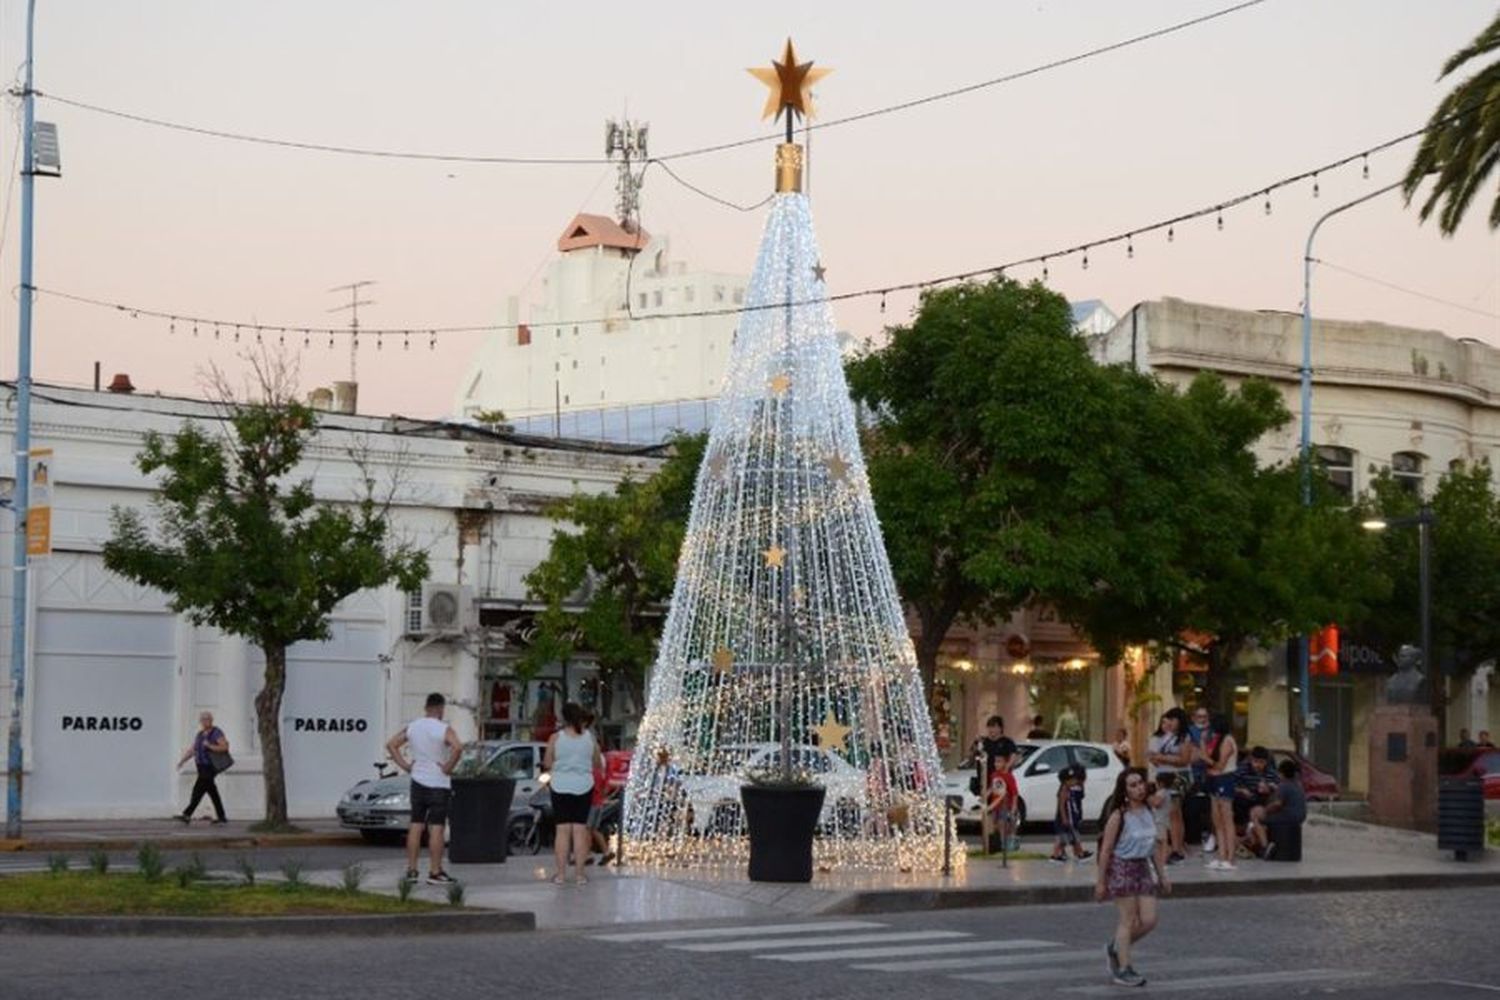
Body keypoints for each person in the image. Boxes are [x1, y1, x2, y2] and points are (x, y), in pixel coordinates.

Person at [1095, 767, 1168, 988]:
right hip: (1121, 867)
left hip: (1142, 867)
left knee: (1149, 920)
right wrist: (1100, 882)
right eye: (1132, 785)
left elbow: (1153, 846)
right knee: (1128, 920)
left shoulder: (1148, 811)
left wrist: (1162, 874)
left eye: (1140, 783)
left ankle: (1116, 946)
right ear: (1124, 791)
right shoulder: (1119, 815)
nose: (1138, 788)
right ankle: (1124, 969)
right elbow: (1106, 850)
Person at [386, 692, 463, 885]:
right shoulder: (444, 728)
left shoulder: (413, 727)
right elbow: (458, 748)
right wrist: (448, 767)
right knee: (436, 828)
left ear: (426, 708)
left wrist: (405, 766)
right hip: (438, 783)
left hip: (418, 781)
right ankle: (435, 872)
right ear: (440, 708)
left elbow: (391, 744)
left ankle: (412, 871)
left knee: (415, 825)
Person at [544, 702, 604, 885]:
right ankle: (579, 875)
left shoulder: (555, 738)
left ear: (564, 718)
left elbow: (547, 762)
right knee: (579, 830)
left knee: (562, 831)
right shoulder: (589, 738)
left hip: (560, 785)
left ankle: (561, 875)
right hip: (584, 786)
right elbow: (597, 763)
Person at [1146, 708, 1191, 864]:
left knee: (1174, 812)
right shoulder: (1166, 737)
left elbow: (1184, 759)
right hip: (1164, 776)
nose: (1170, 724)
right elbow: (1154, 756)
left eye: (1172, 720)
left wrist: (1163, 758)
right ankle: (1175, 846)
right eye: (1168, 720)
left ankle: (1178, 848)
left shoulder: (1184, 737)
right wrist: (1159, 758)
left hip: (1179, 777)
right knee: (1171, 814)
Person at [1199, 713, 1239, 870]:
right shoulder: (1216, 740)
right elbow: (1208, 757)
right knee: (1217, 820)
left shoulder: (1228, 740)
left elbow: (1219, 765)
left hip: (1225, 779)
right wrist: (1202, 743)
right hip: (1214, 780)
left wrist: (1204, 758)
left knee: (1227, 819)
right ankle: (1221, 855)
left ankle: (1230, 857)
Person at [176, 711, 230, 825]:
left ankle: (187, 814)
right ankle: (222, 816)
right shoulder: (200, 735)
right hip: (200, 767)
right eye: (203, 719)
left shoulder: (216, 732)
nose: (205, 721)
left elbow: (224, 747)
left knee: (198, 790)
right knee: (212, 792)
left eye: (208, 719)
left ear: (212, 720)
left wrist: (210, 745)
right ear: (200, 722)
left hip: (210, 767)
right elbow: (192, 750)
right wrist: (182, 761)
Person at [1259, 759, 1308, 859]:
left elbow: (1277, 804)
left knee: (1259, 819)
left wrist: (1265, 810)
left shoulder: (1283, 785)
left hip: (1287, 818)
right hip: (1300, 817)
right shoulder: (1298, 785)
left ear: (1281, 773)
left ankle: (1265, 847)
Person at [1233, 747, 1277, 856]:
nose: (1258, 765)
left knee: (1256, 813)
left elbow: (1278, 787)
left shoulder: (1271, 773)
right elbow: (1231, 784)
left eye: (1261, 762)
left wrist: (1268, 788)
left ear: (1266, 762)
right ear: (1251, 760)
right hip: (1241, 801)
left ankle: (1262, 846)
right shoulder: (1242, 770)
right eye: (1255, 762)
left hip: (1261, 802)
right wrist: (1242, 790)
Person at [1048, 766, 1093, 863]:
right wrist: (1064, 818)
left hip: (1072, 818)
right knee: (1062, 839)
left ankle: (1079, 853)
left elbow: (1081, 797)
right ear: (1065, 781)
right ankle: (1055, 855)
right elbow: (1061, 805)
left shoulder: (1072, 789)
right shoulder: (1064, 790)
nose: (1074, 782)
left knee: (1074, 837)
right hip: (1064, 819)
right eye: (1072, 780)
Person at [986, 737, 1021, 853]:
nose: (996, 764)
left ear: (1006, 763)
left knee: (1004, 824)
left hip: (1005, 805)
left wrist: (1014, 806)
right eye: (995, 761)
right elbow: (993, 787)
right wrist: (986, 795)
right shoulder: (994, 774)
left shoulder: (1009, 776)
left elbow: (1015, 792)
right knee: (996, 824)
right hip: (995, 804)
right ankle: (1000, 843)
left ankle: (1005, 844)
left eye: (999, 761)